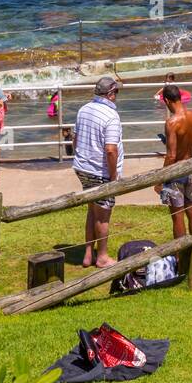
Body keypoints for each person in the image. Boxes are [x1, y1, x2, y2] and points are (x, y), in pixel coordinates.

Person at [72, 75, 124, 268]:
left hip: (82, 167)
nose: (117, 96)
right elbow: (111, 149)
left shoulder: (83, 109)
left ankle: (88, 254)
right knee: (103, 216)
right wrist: (113, 177)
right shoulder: (111, 116)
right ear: (110, 94)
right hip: (100, 171)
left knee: (92, 211)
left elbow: (75, 140)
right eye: (116, 92)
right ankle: (101, 256)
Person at [154, 84, 192, 239]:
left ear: (167, 101)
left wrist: (160, 180)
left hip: (176, 172)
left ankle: (180, 255)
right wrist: (187, 145)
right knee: (191, 208)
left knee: (177, 215)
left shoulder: (171, 123)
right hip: (191, 168)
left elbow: (171, 155)